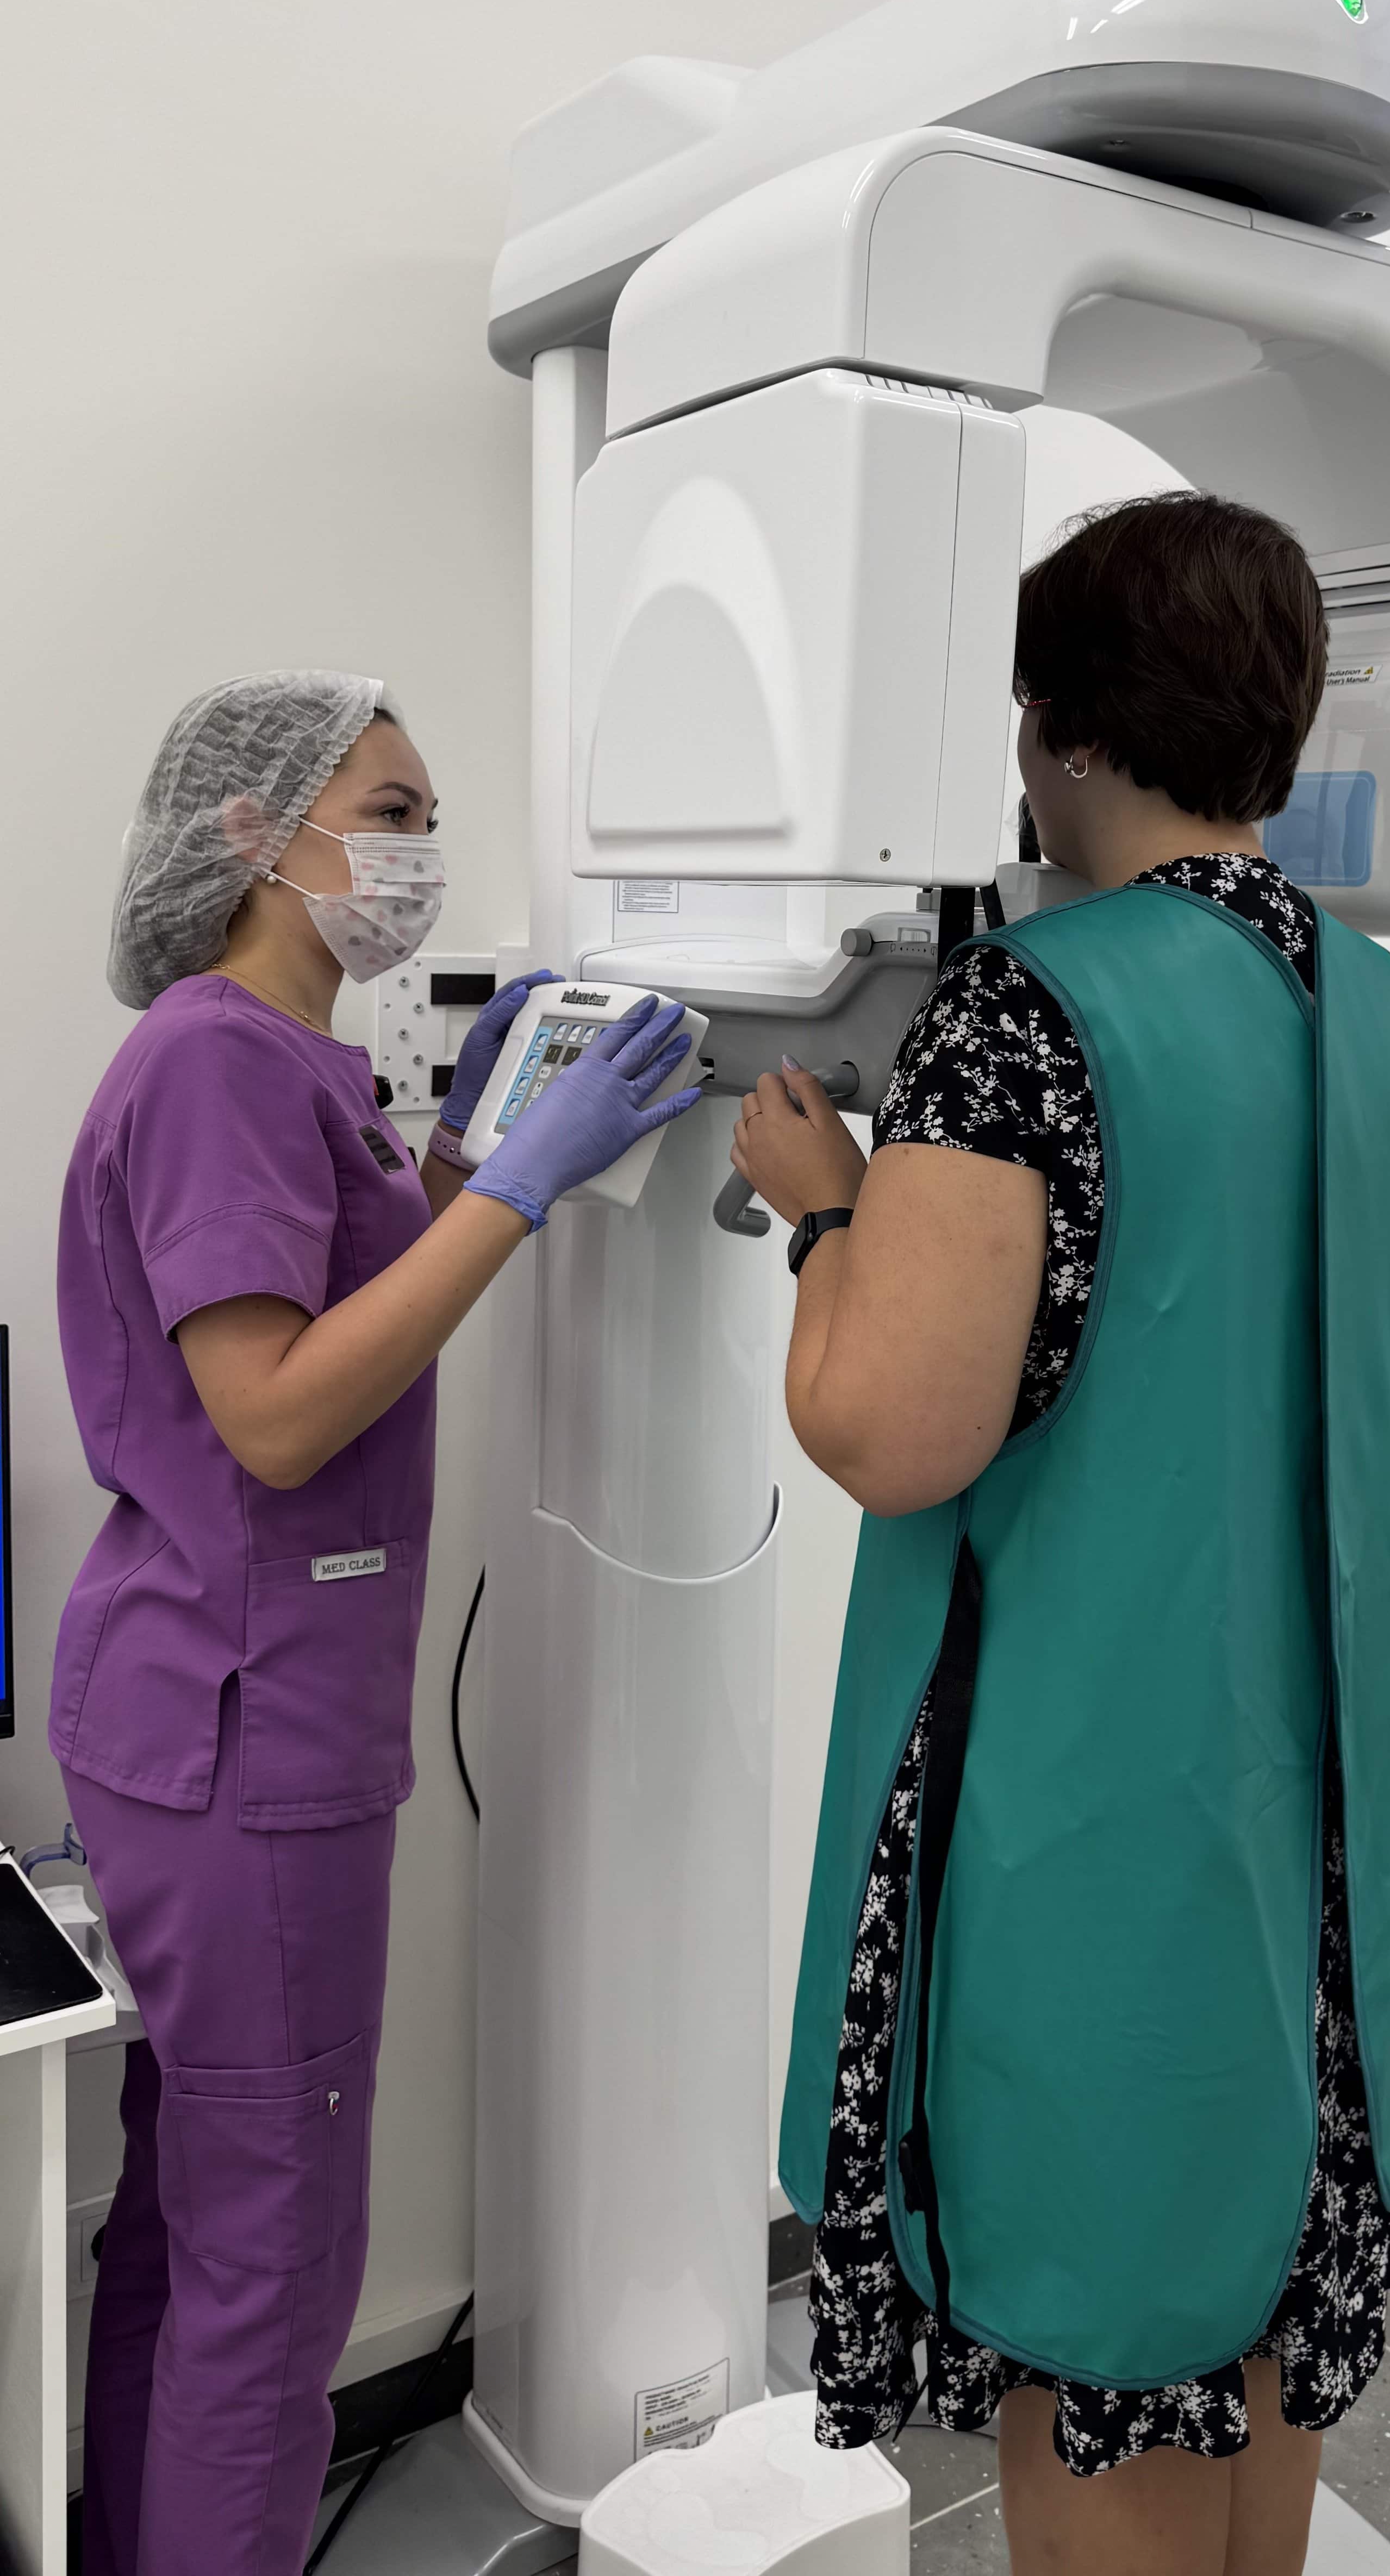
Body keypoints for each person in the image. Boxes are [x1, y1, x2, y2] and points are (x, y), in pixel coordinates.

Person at [731, 495, 1390, 2576]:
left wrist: (831, 1210)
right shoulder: (1373, 996)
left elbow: (892, 1433)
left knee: (1111, 2298)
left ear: (1053, 727)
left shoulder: (1023, 1009)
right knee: (1259, 2277)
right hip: (1308, 1789)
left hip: (1093, 1794)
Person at [53, 671, 700, 2576]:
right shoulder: (218, 1062)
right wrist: (521, 1191)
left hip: (209, 1704)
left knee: (196, 2220)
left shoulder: (292, 1059)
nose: (422, 853)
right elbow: (274, 1411)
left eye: (429, 819)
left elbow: (332, 1301)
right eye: (391, 812)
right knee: (273, 2265)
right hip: (243, 1731)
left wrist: (460, 1152)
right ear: (254, 830)